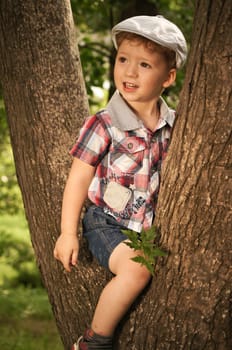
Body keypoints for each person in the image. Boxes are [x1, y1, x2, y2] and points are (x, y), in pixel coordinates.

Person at [54, 15, 187, 350]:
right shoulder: (105, 124)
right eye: (123, 59)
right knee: (138, 271)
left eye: (144, 64)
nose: (129, 72)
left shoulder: (176, 127)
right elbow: (78, 178)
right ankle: (93, 342)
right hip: (107, 222)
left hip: (147, 229)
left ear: (168, 78)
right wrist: (68, 232)